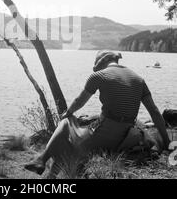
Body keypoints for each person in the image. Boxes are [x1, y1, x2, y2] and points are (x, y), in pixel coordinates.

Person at [24, 50, 170, 177]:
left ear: (102, 61)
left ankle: (42, 159)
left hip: (103, 138)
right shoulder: (138, 79)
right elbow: (155, 112)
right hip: (126, 139)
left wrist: (68, 112)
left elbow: (78, 102)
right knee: (76, 135)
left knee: (67, 123)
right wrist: (167, 142)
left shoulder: (99, 76)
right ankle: (50, 175)